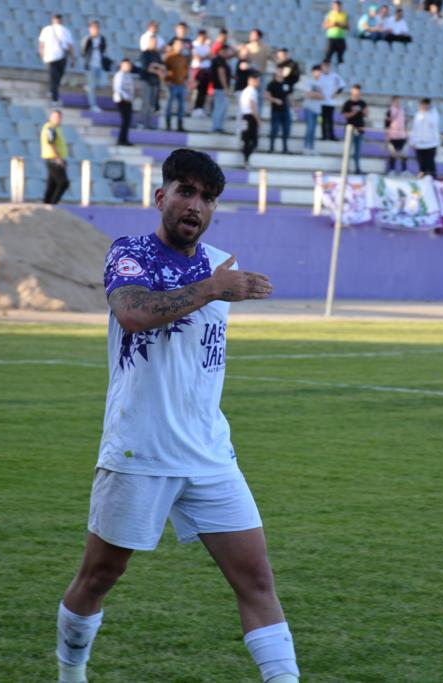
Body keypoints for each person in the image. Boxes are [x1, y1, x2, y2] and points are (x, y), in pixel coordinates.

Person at [54, 148, 299, 683]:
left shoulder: (220, 263)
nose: (196, 205)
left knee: (257, 582)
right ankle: (71, 674)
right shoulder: (131, 253)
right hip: (140, 449)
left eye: (208, 197)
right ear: (161, 196)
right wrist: (212, 290)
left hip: (210, 453)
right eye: (185, 191)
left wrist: (219, 283)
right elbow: (133, 313)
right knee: (98, 578)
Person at [39, 14, 75, 104]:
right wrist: (73, 58)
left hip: (52, 57)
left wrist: (42, 54)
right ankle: (54, 97)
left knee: (55, 77)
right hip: (59, 56)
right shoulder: (64, 31)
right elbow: (70, 46)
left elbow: (41, 44)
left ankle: (53, 92)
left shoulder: (47, 30)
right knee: (56, 77)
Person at [41, 109, 70, 204]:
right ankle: (53, 204)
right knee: (63, 182)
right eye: (55, 117)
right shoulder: (50, 128)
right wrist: (58, 158)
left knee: (52, 185)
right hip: (53, 159)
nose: (58, 119)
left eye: (59, 117)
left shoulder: (56, 128)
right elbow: (51, 143)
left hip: (53, 159)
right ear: (50, 117)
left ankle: (46, 205)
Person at [138, 36, 166, 130]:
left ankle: (148, 123)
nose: (154, 44)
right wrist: (156, 70)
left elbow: (162, 67)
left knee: (152, 104)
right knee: (146, 103)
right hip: (147, 80)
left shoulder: (156, 54)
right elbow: (146, 68)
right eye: (152, 42)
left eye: (155, 42)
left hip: (155, 81)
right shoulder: (145, 54)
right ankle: (142, 122)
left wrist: (156, 66)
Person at [80, 20, 108, 112]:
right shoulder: (87, 39)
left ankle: (88, 87)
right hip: (91, 64)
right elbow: (83, 52)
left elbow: (103, 49)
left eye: (97, 27)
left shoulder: (102, 39)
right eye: (93, 28)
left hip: (100, 64)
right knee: (92, 86)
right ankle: (93, 106)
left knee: (103, 84)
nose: (96, 30)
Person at [409, 98, 439, 177]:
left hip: (431, 144)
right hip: (419, 144)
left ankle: (433, 181)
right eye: (422, 104)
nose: (423, 106)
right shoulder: (418, 114)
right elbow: (415, 129)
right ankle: (423, 181)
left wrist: (425, 114)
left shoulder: (433, 113)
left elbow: (433, 123)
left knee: (430, 164)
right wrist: (413, 142)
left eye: (425, 104)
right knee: (422, 166)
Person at [164, 38, 189, 132]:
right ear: (174, 45)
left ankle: (180, 124)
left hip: (181, 84)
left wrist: (186, 79)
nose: (180, 46)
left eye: (181, 45)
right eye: (178, 44)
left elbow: (185, 70)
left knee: (182, 106)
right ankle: (168, 124)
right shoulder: (169, 57)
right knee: (169, 104)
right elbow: (164, 70)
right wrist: (166, 80)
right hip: (172, 84)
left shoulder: (183, 58)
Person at [341, 84, 368, 174]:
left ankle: (357, 168)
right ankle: (345, 169)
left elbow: (367, 114)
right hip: (350, 130)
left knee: (358, 151)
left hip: (360, 129)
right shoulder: (348, 103)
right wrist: (354, 112)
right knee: (348, 150)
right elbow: (345, 115)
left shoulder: (362, 103)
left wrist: (363, 111)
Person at [265, 68, 292, 154]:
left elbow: (288, 96)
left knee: (286, 130)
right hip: (276, 110)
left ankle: (285, 149)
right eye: (279, 71)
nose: (280, 73)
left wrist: (291, 104)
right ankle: (271, 147)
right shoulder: (271, 84)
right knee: (274, 129)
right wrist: (275, 100)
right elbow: (266, 96)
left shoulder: (286, 83)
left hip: (285, 110)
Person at [318, 60, 345, 142]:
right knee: (322, 119)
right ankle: (324, 135)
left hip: (330, 102)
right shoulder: (319, 76)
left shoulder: (334, 76)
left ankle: (331, 135)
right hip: (321, 102)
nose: (326, 68)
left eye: (327, 66)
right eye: (324, 66)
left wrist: (336, 94)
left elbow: (342, 86)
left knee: (330, 120)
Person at [240, 71, 262, 166]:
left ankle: (245, 159)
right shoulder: (251, 91)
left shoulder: (245, 90)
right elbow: (252, 105)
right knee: (252, 140)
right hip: (250, 117)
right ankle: (246, 159)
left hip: (245, 116)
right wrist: (258, 119)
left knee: (247, 139)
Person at [210, 45, 233, 133]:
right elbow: (221, 74)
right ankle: (216, 127)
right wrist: (225, 87)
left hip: (219, 87)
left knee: (221, 107)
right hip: (220, 87)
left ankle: (218, 126)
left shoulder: (220, 60)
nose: (227, 53)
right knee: (220, 107)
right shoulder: (220, 60)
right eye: (226, 51)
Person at [301, 64, 323, 155]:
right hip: (309, 108)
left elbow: (323, 96)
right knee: (309, 128)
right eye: (316, 71)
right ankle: (306, 147)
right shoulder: (309, 82)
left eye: (319, 71)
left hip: (317, 109)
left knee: (314, 129)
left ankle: (312, 147)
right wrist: (317, 95)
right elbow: (308, 94)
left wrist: (315, 95)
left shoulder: (322, 83)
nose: (318, 73)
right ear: (313, 72)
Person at [190, 30, 213, 117]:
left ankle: (200, 108)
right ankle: (194, 108)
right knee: (196, 90)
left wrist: (205, 56)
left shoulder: (207, 46)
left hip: (206, 70)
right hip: (197, 70)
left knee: (203, 91)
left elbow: (211, 56)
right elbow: (197, 57)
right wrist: (205, 57)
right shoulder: (195, 45)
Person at [245, 29, 271, 103]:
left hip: (261, 75)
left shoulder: (265, 48)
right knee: (251, 97)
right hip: (251, 76)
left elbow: (273, 58)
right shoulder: (247, 47)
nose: (251, 36)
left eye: (253, 34)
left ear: (258, 36)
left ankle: (258, 113)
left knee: (260, 97)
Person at [113, 59, 135, 146]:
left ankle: (124, 139)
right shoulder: (119, 75)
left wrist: (130, 97)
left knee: (128, 120)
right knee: (125, 120)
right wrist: (126, 97)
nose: (129, 67)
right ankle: (121, 139)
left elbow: (131, 88)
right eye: (127, 65)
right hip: (121, 100)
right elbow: (118, 88)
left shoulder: (129, 76)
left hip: (128, 100)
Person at [384, 95, 408, 174]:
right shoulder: (390, 111)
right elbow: (386, 124)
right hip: (393, 136)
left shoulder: (403, 111)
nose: (398, 103)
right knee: (393, 154)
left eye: (399, 101)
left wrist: (406, 134)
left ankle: (404, 170)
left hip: (402, 136)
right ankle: (392, 170)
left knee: (403, 154)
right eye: (396, 101)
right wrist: (387, 135)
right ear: (393, 102)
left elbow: (405, 123)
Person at [323, 1, 348, 65]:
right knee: (328, 55)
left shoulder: (344, 15)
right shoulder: (329, 14)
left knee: (341, 57)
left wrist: (339, 25)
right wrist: (332, 24)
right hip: (331, 37)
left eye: (338, 6)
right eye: (335, 6)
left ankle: (341, 71)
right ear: (333, 6)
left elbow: (347, 26)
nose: (337, 8)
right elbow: (324, 26)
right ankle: (325, 71)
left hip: (340, 37)